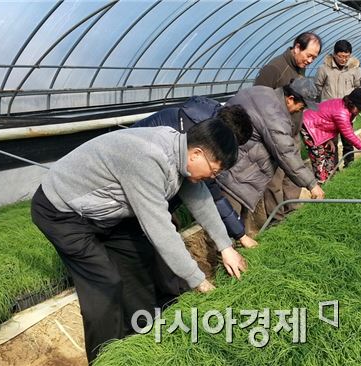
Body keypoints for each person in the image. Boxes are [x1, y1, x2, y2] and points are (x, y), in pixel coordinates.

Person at [31, 119, 247, 363]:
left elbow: (201, 199)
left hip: (107, 213)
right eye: (214, 170)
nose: (212, 177)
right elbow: (159, 228)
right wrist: (198, 280)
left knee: (139, 263)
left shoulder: (179, 153)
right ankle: (108, 357)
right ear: (197, 154)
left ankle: (143, 336)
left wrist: (226, 246)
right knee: (105, 283)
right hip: (63, 212)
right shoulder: (149, 157)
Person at [132, 96, 258, 249]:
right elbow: (211, 193)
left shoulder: (202, 123)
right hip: (130, 183)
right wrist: (241, 235)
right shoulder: (194, 138)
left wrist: (238, 234)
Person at [217, 78, 325, 223]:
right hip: (235, 170)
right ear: (290, 99)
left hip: (226, 155)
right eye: (302, 106)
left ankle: (238, 237)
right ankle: (228, 242)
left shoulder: (264, 91)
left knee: (234, 216)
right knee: (229, 215)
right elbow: (285, 151)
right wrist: (312, 184)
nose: (301, 110)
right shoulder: (275, 113)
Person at [254, 32, 322, 221]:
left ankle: (292, 211)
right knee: (274, 180)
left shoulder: (300, 68)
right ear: (297, 47)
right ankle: (277, 220)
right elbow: (257, 102)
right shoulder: (274, 69)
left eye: (314, 58)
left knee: (291, 176)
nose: (310, 61)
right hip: (274, 134)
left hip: (292, 131)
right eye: (308, 55)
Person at [302, 88, 361, 182]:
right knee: (318, 155)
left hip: (318, 127)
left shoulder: (344, 106)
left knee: (330, 151)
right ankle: (321, 183)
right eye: (359, 108)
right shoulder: (342, 113)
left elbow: (325, 120)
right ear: (352, 104)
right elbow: (348, 134)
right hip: (308, 126)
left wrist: (328, 139)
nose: (360, 111)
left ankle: (331, 178)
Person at [314, 39, 361, 168]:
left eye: (346, 57)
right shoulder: (324, 69)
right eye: (340, 56)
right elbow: (317, 88)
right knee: (331, 142)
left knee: (348, 139)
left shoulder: (355, 70)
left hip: (346, 112)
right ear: (334, 54)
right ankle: (333, 169)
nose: (343, 59)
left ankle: (349, 164)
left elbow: (358, 86)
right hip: (329, 115)